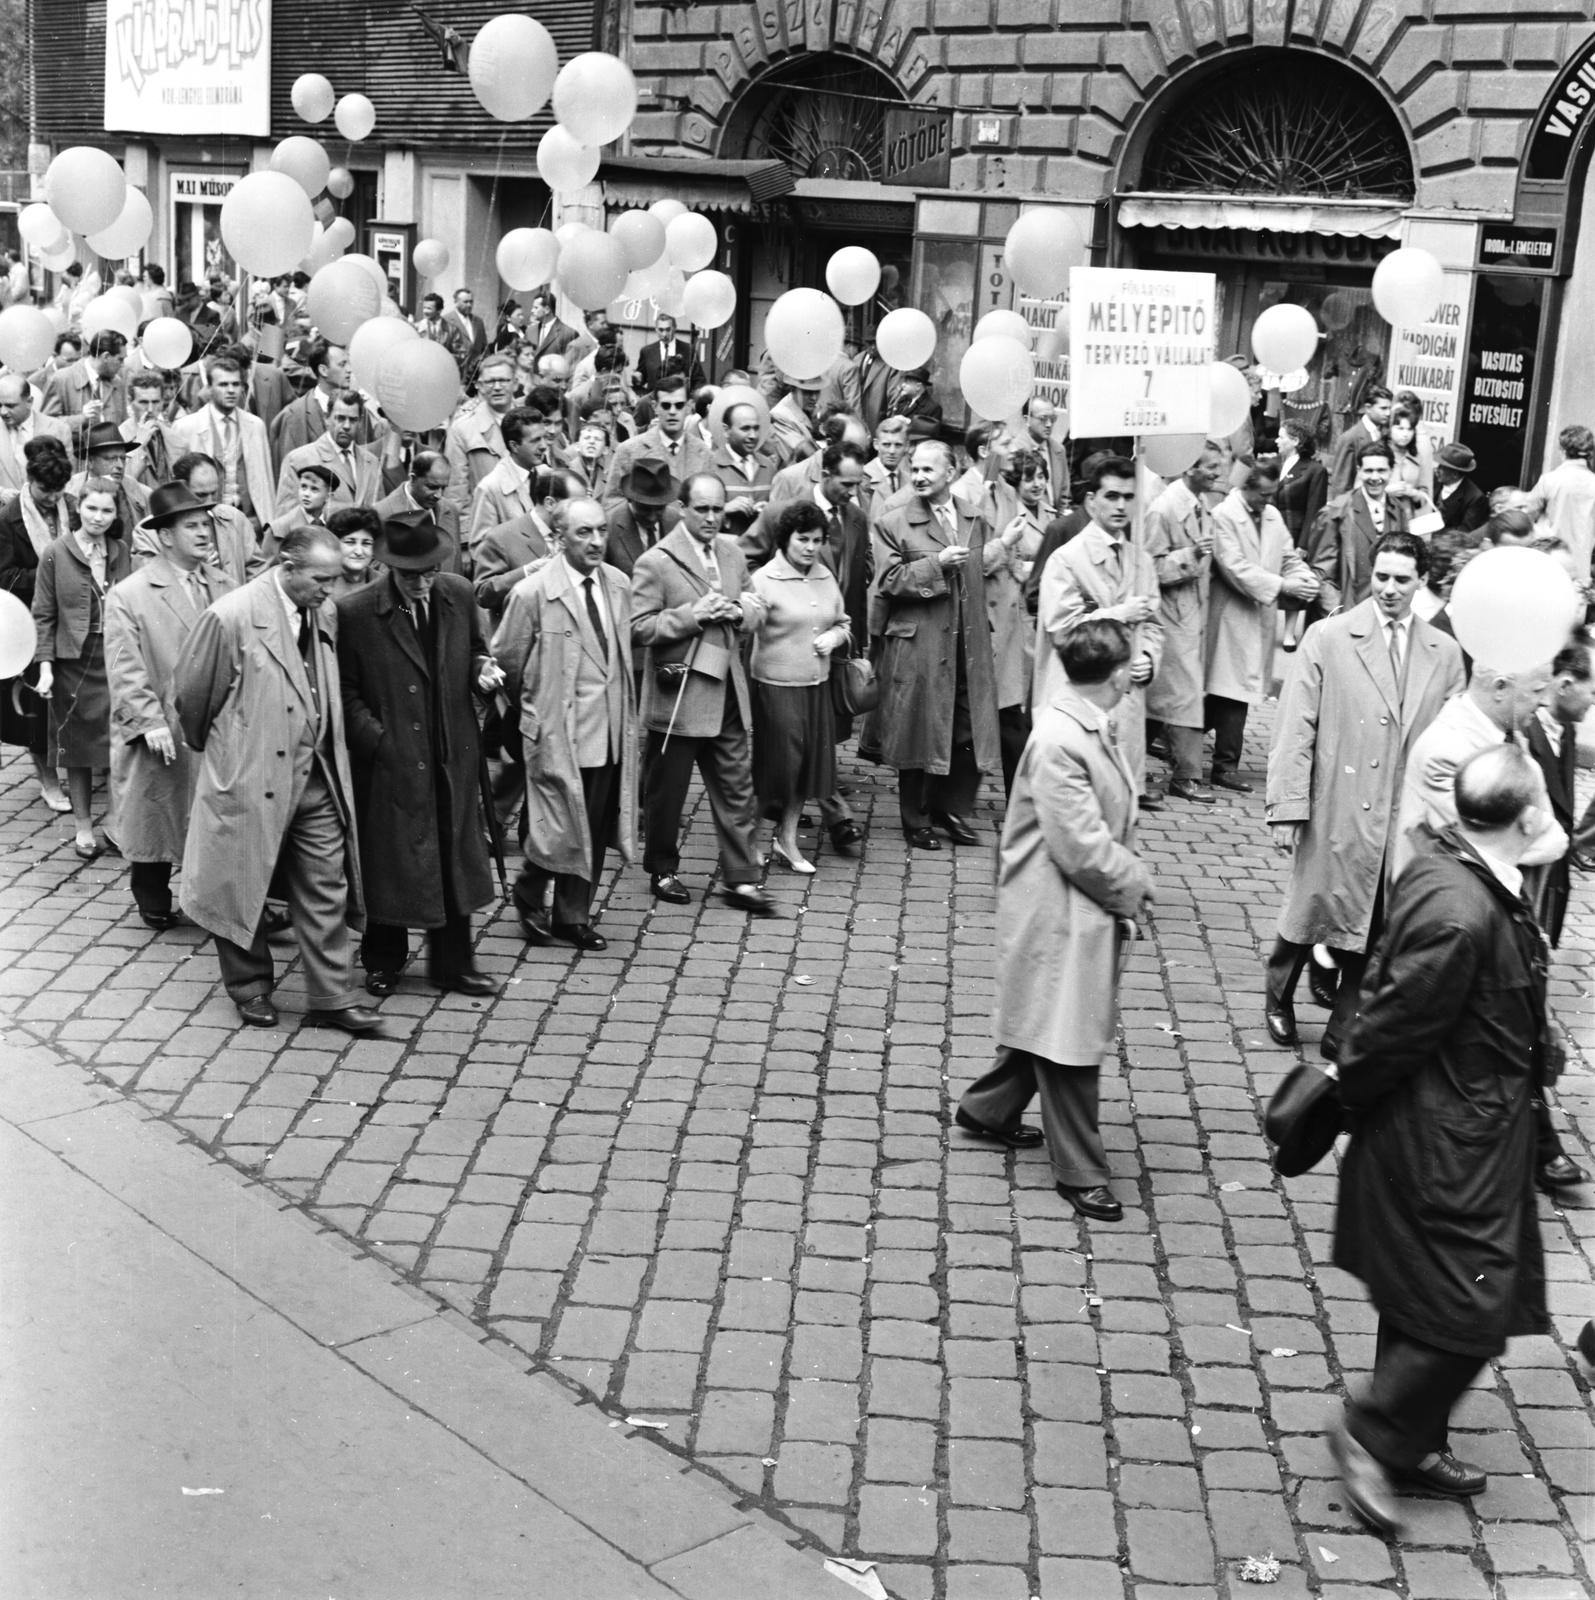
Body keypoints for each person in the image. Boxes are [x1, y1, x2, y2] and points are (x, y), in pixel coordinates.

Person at [1329, 744, 1555, 1535]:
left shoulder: (1457, 871)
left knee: (1426, 1292)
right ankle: (1372, 1430)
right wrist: (1347, 1101)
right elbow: (1389, 1030)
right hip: (1445, 1140)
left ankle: (1412, 1440)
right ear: (1525, 816)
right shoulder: (1459, 909)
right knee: (1471, 1308)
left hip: (1469, 1128)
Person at [956, 618, 1154, 1221]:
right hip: (1060, 905)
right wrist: (1135, 883)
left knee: (1050, 1012)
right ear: (1117, 673)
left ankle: (987, 1109)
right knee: (1070, 1037)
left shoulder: (1074, 721)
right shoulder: (1063, 739)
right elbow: (1082, 847)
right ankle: (1080, 1170)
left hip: (1063, 900)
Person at [174, 524, 380, 1034]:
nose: (330, 589)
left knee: (325, 883)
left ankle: (331, 996)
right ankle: (250, 987)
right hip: (250, 777)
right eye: (321, 579)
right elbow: (192, 701)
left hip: (316, 777)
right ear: (287, 569)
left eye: (335, 580)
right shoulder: (231, 616)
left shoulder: (323, 611)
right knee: (239, 880)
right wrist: (230, 757)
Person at [1264, 533, 1466, 1053]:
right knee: (1310, 908)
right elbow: (1295, 728)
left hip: (1402, 809)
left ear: (1421, 581)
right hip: (1337, 799)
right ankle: (1279, 993)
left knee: (1375, 919)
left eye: (1402, 579)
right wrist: (1288, 807)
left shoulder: (1443, 653)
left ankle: (1343, 1024)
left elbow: (1453, 735)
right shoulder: (1329, 637)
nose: (1390, 589)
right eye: (1381, 577)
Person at [335, 510, 501, 996]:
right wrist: (378, 741)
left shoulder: (458, 593)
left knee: (452, 855)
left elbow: (474, 649)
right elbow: (342, 692)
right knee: (390, 858)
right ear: (389, 568)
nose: (421, 583)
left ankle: (454, 964)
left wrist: (482, 672)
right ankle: (383, 960)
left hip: (451, 753)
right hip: (394, 761)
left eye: (428, 571)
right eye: (410, 575)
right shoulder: (357, 612)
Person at [492, 497, 637, 950]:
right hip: (558, 731)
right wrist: (538, 709)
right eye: (583, 533)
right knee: (558, 825)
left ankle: (573, 917)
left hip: (609, 730)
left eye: (600, 531)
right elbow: (507, 662)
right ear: (557, 538)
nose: (596, 541)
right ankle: (530, 892)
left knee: (592, 824)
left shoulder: (618, 584)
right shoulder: (533, 592)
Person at [630, 472, 773, 914]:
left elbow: (758, 603)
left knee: (736, 784)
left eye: (718, 509)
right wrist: (692, 615)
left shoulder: (731, 552)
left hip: (726, 687)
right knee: (667, 791)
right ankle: (662, 868)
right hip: (680, 696)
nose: (712, 518)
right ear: (683, 508)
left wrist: (742, 610)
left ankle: (742, 878)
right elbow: (638, 627)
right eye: (703, 509)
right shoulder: (656, 561)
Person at [105, 481, 235, 929]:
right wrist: (148, 721)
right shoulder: (131, 593)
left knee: (217, 814)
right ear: (164, 536)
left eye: (206, 525)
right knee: (156, 809)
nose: (203, 534)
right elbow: (124, 667)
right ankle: (153, 895)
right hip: (164, 724)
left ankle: (219, 899)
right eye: (190, 526)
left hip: (217, 724)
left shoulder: (225, 585)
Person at [874, 439, 1002, 846]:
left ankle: (952, 808)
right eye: (915, 469)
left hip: (967, 642)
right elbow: (888, 581)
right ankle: (917, 819)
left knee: (966, 728)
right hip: (922, 643)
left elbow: (982, 573)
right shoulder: (893, 522)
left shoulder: (974, 517)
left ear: (951, 473)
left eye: (929, 469)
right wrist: (935, 565)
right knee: (921, 728)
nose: (919, 476)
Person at [1034, 454, 1164, 805]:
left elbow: (1153, 624)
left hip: (1126, 700)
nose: (1121, 505)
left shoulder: (1143, 561)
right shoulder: (1066, 560)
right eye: (1111, 496)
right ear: (1091, 501)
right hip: (1080, 696)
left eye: (1129, 497)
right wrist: (1119, 613)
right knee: (1077, 803)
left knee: (1120, 804)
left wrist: (1149, 658)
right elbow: (1062, 631)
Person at [746, 501, 851, 873]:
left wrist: (835, 639)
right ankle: (748, 839)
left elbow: (843, 621)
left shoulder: (825, 576)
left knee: (807, 767)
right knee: (777, 766)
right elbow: (746, 626)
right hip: (776, 686)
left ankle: (786, 839)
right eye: (802, 539)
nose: (810, 547)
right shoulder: (764, 578)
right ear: (785, 538)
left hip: (815, 685)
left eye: (817, 540)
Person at [30, 476, 133, 857]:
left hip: (117, 659)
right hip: (74, 662)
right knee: (78, 748)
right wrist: (45, 667)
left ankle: (119, 822)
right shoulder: (55, 553)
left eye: (107, 510)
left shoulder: (121, 551)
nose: (99, 517)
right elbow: (43, 615)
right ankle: (84, 826)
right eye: (92, 508)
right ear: (78, 509)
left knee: (120, 744)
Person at [1205, 460, 1319, 791]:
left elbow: (1287, 557)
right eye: (1263, 495)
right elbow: (1234, 567)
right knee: (1232, 691)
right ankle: (1224, 764)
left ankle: (1177, 733)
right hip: (1230, 614)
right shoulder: (1224, 515)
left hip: (1258, 616)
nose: (1268, 501)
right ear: (1246, 488)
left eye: (1272, 494)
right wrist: (1283, 587)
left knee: (1229, 690)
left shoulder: (1271, 516)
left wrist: (1303, 578)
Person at [1143, 442, 1223, 803]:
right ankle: (1187, 775)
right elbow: (1150, 567)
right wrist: (1190, 555)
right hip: (1171, 616)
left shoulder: (1200, 504)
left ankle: (1123, 766)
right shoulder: (1163, 510)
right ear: (1190, 468)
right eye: (1211, 467)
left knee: (1160, 701)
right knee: (1184, 696)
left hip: (1190, 613)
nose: (1218, 473)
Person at [0, 439, 74, 810]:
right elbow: (5, 576)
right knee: (36, 707)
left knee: (73, 699)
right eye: (46, 490)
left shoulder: (73, 508)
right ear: (30, 480)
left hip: (72, 619)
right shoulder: (7, 518)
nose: (52, 497)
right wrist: (50, 571)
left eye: (59, 490)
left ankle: (77, 767)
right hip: (31, 624)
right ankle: (49, 781)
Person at [1524, 631, 1594, 951]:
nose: (1594, 701)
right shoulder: (1524, 735)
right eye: (1592, 692)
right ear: (1564, 686)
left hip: (1552, 887)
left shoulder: (1566, 729)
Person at [170, 355, 274, 530]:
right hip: (205, 524)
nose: (231, 390)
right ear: (209, 389)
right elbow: (177, 488)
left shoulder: (256, 426)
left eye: (236, 384)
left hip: (250, 524)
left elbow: (265, 480)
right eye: (223, 384)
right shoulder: (185, 427)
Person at [1309, 441, 1411, 615]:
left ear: (1391, 471)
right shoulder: (1336, 512)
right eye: (1369, 470)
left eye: (1381, 470)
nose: (1375, 477)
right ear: (1359, 470)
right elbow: (1321, 573)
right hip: (1347, 612)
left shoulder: (1398, 510)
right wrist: (1339, 614)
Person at [603, 375, 712, 501]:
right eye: (666, 405)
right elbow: (611, 501)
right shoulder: (628, 451)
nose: (672, 411)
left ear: (688, 407)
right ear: (655, 407)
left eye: (679, 405)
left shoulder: (704, 453)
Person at [275, 390, 382, 515]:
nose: (347, 426)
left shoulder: (372, 462)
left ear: (359, 423)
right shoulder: (298, 460)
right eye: (340, 418)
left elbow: (380, 515)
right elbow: (286, 521)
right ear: (327, 418)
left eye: (353, 420)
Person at [443, 351, 517, 517]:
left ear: (516, 383)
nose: (497, 387)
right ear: (480, 385)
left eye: (504, 380)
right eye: (490, 381)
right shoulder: (462, 428)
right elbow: (456, 492)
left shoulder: (531, 419)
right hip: (486, 524)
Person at [373, 450, 463, 576]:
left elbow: (457, 569)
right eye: (432, 486)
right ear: (413, 479)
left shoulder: (450, 509)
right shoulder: (381, 513)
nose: (439, 495)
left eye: (443, 488)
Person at [1526, 423, 1595, 580]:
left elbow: (1527, 514)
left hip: (1550, 556)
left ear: (1563, 451)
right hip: (1582, 561)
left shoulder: (1549, 480)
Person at [468, 408, 547, 542]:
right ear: (514, 446)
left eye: (544, 438)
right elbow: (481, 548)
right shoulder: (490, 488)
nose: (543, 446)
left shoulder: (547, 475)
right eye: (535, 440)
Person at [708, 400, 779, 539]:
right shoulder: (710, 466)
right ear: (726, 430)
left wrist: (769, 511)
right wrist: (725, 509)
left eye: (756, 428)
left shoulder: (768, 466)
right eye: (745, 428)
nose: (752, 436)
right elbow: (694, 518)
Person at [0, 372, 72, 504]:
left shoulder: (59, 429)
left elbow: (68, 478)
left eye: (10, 406)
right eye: (0, 405)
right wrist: (1, 493)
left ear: (29, 402)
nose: (3, 412)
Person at [41, 330, 129, 435]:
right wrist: (81, 419)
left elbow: (123, 423)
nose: (123, 365)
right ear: (105, 357)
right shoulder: (61, 379)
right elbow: (46, 425)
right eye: (120, 359)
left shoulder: (117, 383)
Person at [1326, 383, 1393, 496]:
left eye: (1389, 408)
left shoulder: (1384, 434)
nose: (1388, 413)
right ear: (1368, 408)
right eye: (1383, 408)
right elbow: (1341, 485)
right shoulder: (1350, 438)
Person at [122, 369, 180, 489]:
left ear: (163, 401)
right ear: (130, 401)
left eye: (155, 402)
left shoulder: (176, 438)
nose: (150, 409)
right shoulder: (118, 437)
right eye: (143, 402)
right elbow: (120, 485)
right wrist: (139, 444)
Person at [1274, 418, 1328, 546]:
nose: (1276, 441)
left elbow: (1314, 512)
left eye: (1281, 437)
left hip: (1294, 537)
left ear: (1295, 441)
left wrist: (1303, 545)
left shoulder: (1315, 470)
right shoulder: (1275, 464)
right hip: (1272, 533)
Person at [635, 313, 703, 395]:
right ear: (656, 329)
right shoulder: (646, 351)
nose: (664, 334)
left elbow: (699, 380)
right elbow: (641, 379)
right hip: (655, 400)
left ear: (675, 328)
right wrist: (637, 379)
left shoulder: (689, 350)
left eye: (668, 329)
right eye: (661, 330)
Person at [1431, 441, 1489, 536]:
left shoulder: (1475, 498)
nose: (1437, 470)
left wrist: (1433, 533)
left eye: (1442, 468)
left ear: (1455, 474)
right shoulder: (1433, 479)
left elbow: (1465, 531)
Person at [324, 505, 381, 601]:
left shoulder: (384, 583)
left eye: (366, 543)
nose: (359, 552)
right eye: (350, 542)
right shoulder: (323, 586)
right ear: (335, 544)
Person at [862, 415, 911, 519]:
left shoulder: (909, 480)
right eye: (886, 445)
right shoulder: (863, 476)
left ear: (906, 446)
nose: (892, 451)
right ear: (876, 444)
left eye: (898, 445)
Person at [445, 287, 488, 382]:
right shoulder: (446, 321)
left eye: (471, 302)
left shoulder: (478, 321)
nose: (469, 305)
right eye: (465, 302)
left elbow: (484, 348)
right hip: (456, 375)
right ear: (456, 302)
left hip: (476, 376)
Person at [414, 293, 466, 361]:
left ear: (439, 310)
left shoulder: (452, 329)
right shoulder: (416, 328)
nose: (425, 311)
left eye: (429, 308)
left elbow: (461, 355)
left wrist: (443, 357)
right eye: (424, 308)